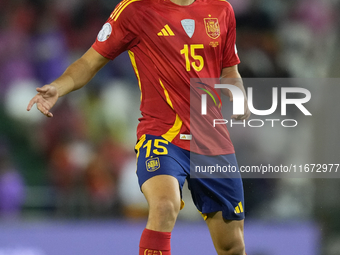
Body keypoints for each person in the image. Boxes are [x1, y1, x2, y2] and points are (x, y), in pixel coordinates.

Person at [27, 0, 251, 253]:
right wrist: (59, 86)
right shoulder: (135, 8)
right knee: (165, 205)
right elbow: (90, 62)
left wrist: (238, 95)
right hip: (162, 135)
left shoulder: (222, 9)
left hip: (211, 139)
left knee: (232, 245)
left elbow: (230, 70)